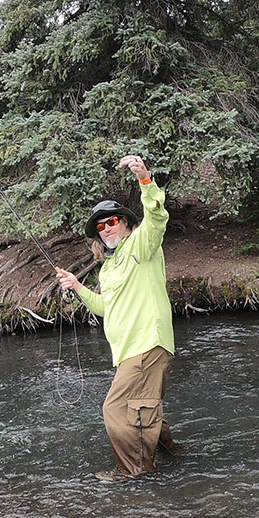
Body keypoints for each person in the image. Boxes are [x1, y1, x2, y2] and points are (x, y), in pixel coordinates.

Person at [55, 154, 176, 480]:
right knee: (145, 407)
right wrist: (77, 286)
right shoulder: (108, 269)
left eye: (112, 222)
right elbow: (106, 307)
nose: (107, 228)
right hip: (129, 352)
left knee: (117, 408)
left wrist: (145, 180)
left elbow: (157, 217)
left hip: (147, 343)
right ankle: (174, 455)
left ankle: (133, 470)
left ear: (124, 223)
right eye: (100, 225)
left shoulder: (142, 242)